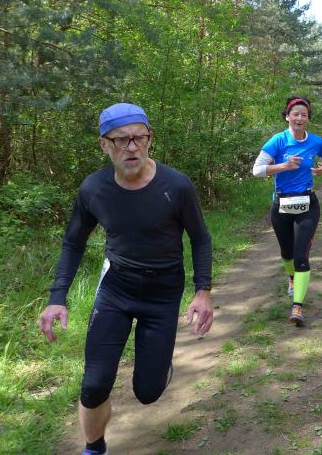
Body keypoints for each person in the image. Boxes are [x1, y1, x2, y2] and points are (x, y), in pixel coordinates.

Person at [38, 103, 214, 455]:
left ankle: (159, 367)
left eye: (139, 138)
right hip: (116, 288)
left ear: (150, 139)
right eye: (121, 140)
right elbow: (73, 242)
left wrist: (203, 291)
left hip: (163, 292)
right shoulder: (93, 189)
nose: (132, 147)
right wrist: (58, 297)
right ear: (104, 145)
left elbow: (200, 239)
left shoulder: (176, 186)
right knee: (94, 384)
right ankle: (94, 447)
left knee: (147, 392)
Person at [252, 96, 322, 324]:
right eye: (295, 114)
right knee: (287, 253)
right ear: (287, 116)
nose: (299, 118)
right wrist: (284, 166)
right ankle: (291, 277)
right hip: (281, 204)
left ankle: (297, 307)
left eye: (304, 115)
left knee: (301, 256)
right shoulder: (278, 141)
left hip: (308, 205)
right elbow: (257, 170)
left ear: (308, 118)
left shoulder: (316, 141)